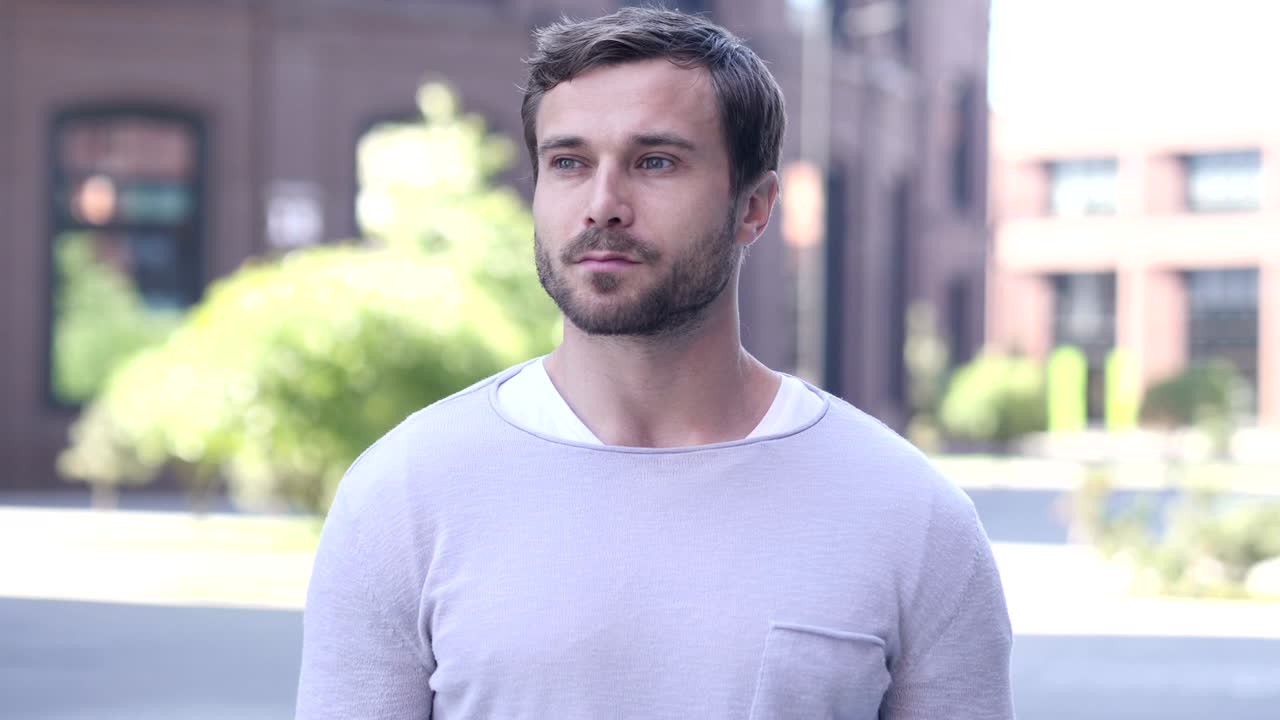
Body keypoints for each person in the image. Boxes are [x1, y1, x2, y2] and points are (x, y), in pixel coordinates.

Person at [295, 7, 1013, 719]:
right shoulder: (403, 497)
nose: (603, 205)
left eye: (656, 162)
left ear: (754, 207)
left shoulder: (911, 516)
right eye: (569, 162)